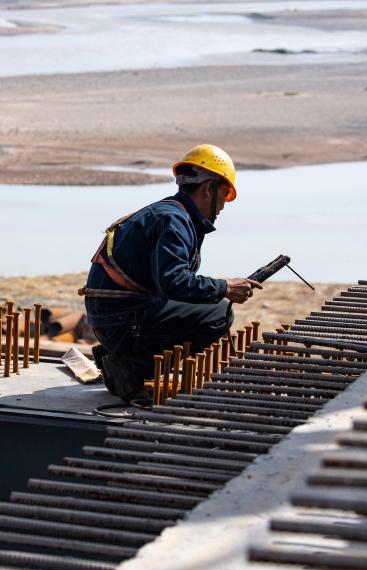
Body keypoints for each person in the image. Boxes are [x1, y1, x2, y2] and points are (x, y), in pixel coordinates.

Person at [82, 144, 261, 405]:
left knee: (206, 306)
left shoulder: (171, 213)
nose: (223, 204)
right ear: (209, 188)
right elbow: (172, 282)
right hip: (121, 321)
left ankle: (122, 359)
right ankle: (129, 368)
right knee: (219, 314)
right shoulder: (174, 221)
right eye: (224, 194)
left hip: (114, 318)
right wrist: (223, 287)